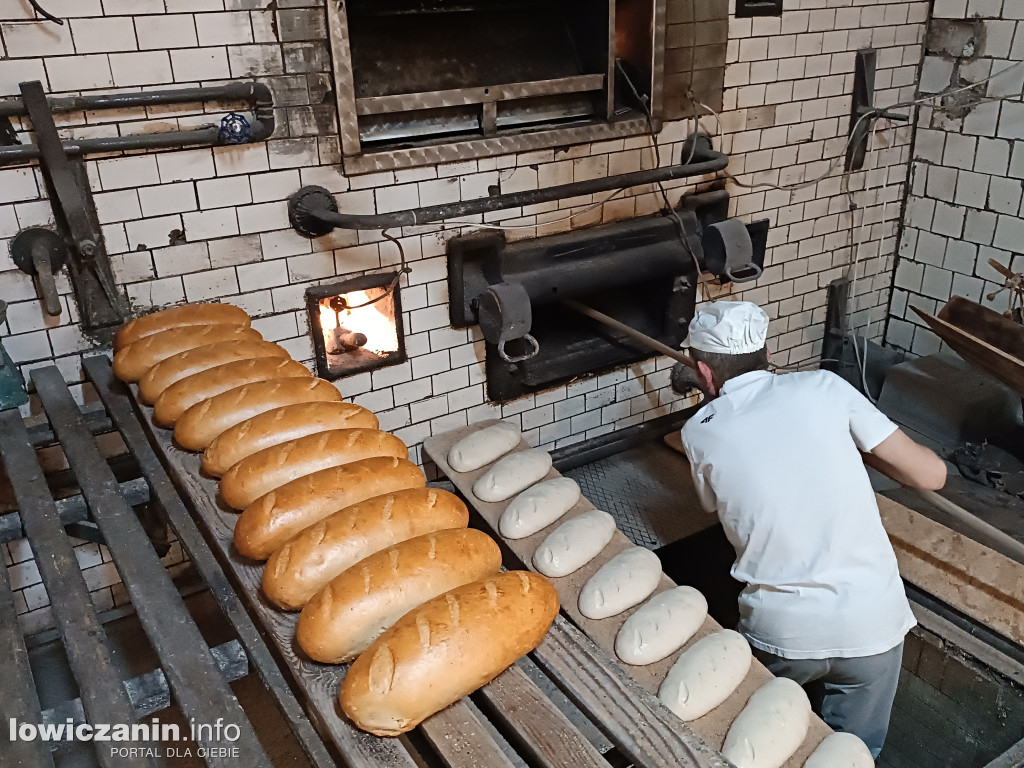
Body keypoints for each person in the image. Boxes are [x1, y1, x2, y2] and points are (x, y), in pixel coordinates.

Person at [677, 301, 946, 758]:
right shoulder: (824, 388)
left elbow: (709, 506)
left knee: (753, 744)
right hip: (872, 625)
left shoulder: (698, 432)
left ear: (704, 373)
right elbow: (930, 476)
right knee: (852, 755)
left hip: (783, 632)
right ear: (765, 353)